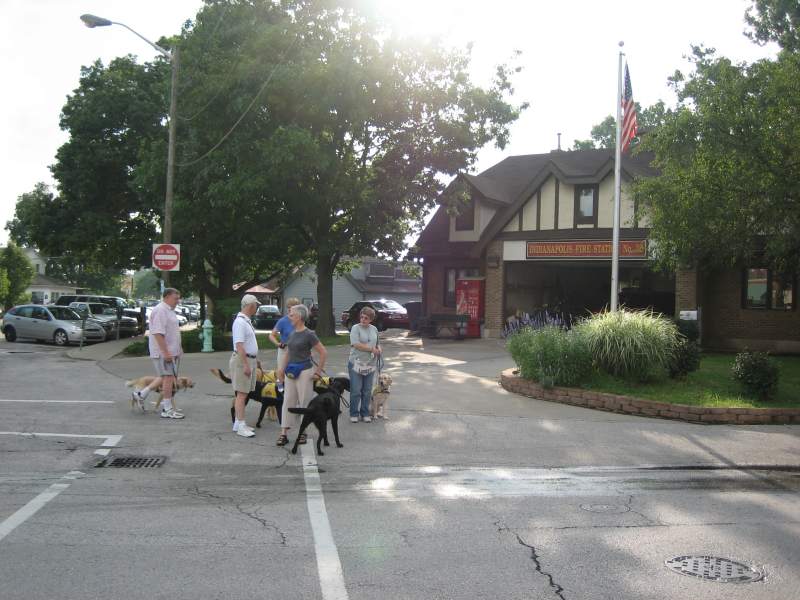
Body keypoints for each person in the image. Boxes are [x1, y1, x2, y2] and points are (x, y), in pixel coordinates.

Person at [276, 304, 327, 446]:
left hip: (305, 372)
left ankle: (303, 432)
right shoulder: (292, 333)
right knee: (287, 401)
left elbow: (323, 353)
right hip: (290, 372)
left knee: (304, 402)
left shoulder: (309, 334)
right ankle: (283, 433)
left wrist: (317, 372)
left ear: (299, 316)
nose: (289, 316)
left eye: (291, 314)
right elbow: (287, 352)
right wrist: (281, 369)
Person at [132, 287, 184, 419]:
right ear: (166, 297)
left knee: (167, 378)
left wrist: (178, 349)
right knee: (167, 379)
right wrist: (166, 352)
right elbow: (158, 333)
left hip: (170, 351)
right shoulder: (160, 310)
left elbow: (172, 332)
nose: (178, 301)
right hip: (163, 353)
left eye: (178, 298)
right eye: (175, 298)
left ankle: (141, 395)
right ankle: (167, 409)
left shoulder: (169, 310)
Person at [231, 294, 261, 438]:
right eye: (256, 305)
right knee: (242, 394)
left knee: (244, 393)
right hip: (243, 360)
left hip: (249, 359)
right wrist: (245, 365)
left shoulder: (245, 321)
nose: (256, 308)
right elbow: (239, 345)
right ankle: (241, 425)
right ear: (251, 305)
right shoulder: (240, 322)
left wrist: (255, 360)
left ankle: (238, 422)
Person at [347, 306, 381, 423]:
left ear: (371, 319)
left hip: (370, 364)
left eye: (366, 318)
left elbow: (377, 343)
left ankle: (365, 413)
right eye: (361, 317)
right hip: (356, 363)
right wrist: (372, 349)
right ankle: (354, 413)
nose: (362, 320)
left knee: (367, 390)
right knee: (356, 390)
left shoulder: (374, 329)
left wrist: (379, 349)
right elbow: (356, 344)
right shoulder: (355, 328)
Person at [268, 297, 300, 370]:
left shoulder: (300, 320)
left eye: (292, 307)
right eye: (288, 307)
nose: (289, 309)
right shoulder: (283, 321)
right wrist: (277, 343)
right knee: (282, 372)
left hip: (297, 350)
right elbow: (271, 335)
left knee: (296, 372)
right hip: (284, 350)